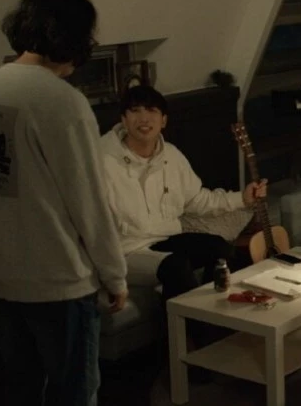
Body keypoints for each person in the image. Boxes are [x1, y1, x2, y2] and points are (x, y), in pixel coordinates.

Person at [0, 0, 138, 406]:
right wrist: (115, 275)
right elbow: (88, 202)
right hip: (57, 281)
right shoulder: (61, 102)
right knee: (72, 405)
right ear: (70, 38)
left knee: (24, 400)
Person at [100, 85, 267, 344]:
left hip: (165, 239)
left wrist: (242, 199)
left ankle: (219, 324)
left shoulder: (171, 156)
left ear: (163, 120)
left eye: (151, 111)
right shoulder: (101, 160)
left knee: (219, 248)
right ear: (123, 119)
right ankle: (188, 345)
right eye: (135, 111)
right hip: (126, 251)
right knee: (176, 267)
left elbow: (197, 200)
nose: (144, 119)